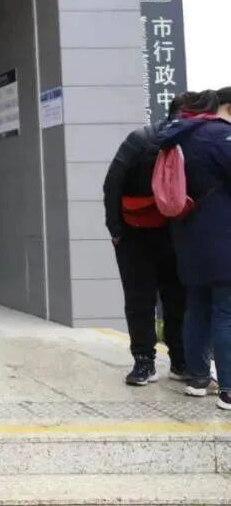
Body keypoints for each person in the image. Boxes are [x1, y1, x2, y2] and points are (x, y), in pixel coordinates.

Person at [102, 93, 192, 385]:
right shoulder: (144, 140)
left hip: (153, 235)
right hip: (144, 234)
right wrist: (116, 231)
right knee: (164, 300)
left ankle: (157, 362)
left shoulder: (141, 138)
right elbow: (113, 184)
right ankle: (162, 360)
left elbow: (111, 183)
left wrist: (117, 230)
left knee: (154, 300)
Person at [156, 87, 231, 411]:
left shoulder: (177, 136)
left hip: (187, 237)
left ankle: (198, 379)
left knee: (197, 308)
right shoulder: (219, 135)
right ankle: (228, 389)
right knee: (226, 313)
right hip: (222, 237)